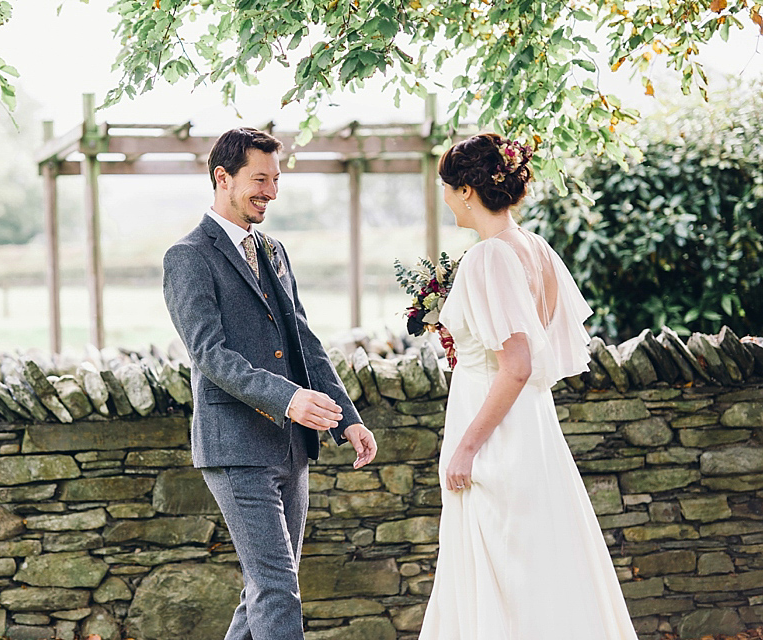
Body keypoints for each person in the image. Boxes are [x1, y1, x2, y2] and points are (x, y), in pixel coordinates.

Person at [419, 133, 638, 639]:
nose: (446, 198)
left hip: (495, 434)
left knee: (505, 563)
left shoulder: (488, 256)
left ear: (468, 191)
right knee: (539, 562)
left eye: (447, 188)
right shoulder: (534, 249)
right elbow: (523, 350)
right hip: (531, 426)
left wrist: (466, 449)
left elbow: (516, 365)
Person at [162, 127, 378, 640]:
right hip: (235, 447)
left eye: (276, 179)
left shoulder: (274, 250)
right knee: (277, 588)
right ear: (223, 177)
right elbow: (210, 355)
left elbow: (304, 343)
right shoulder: (187, 256)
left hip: (291, 448)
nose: (271, 192)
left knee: (267, 587)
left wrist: (347, 419)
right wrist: (289, 399)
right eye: (260, 179)